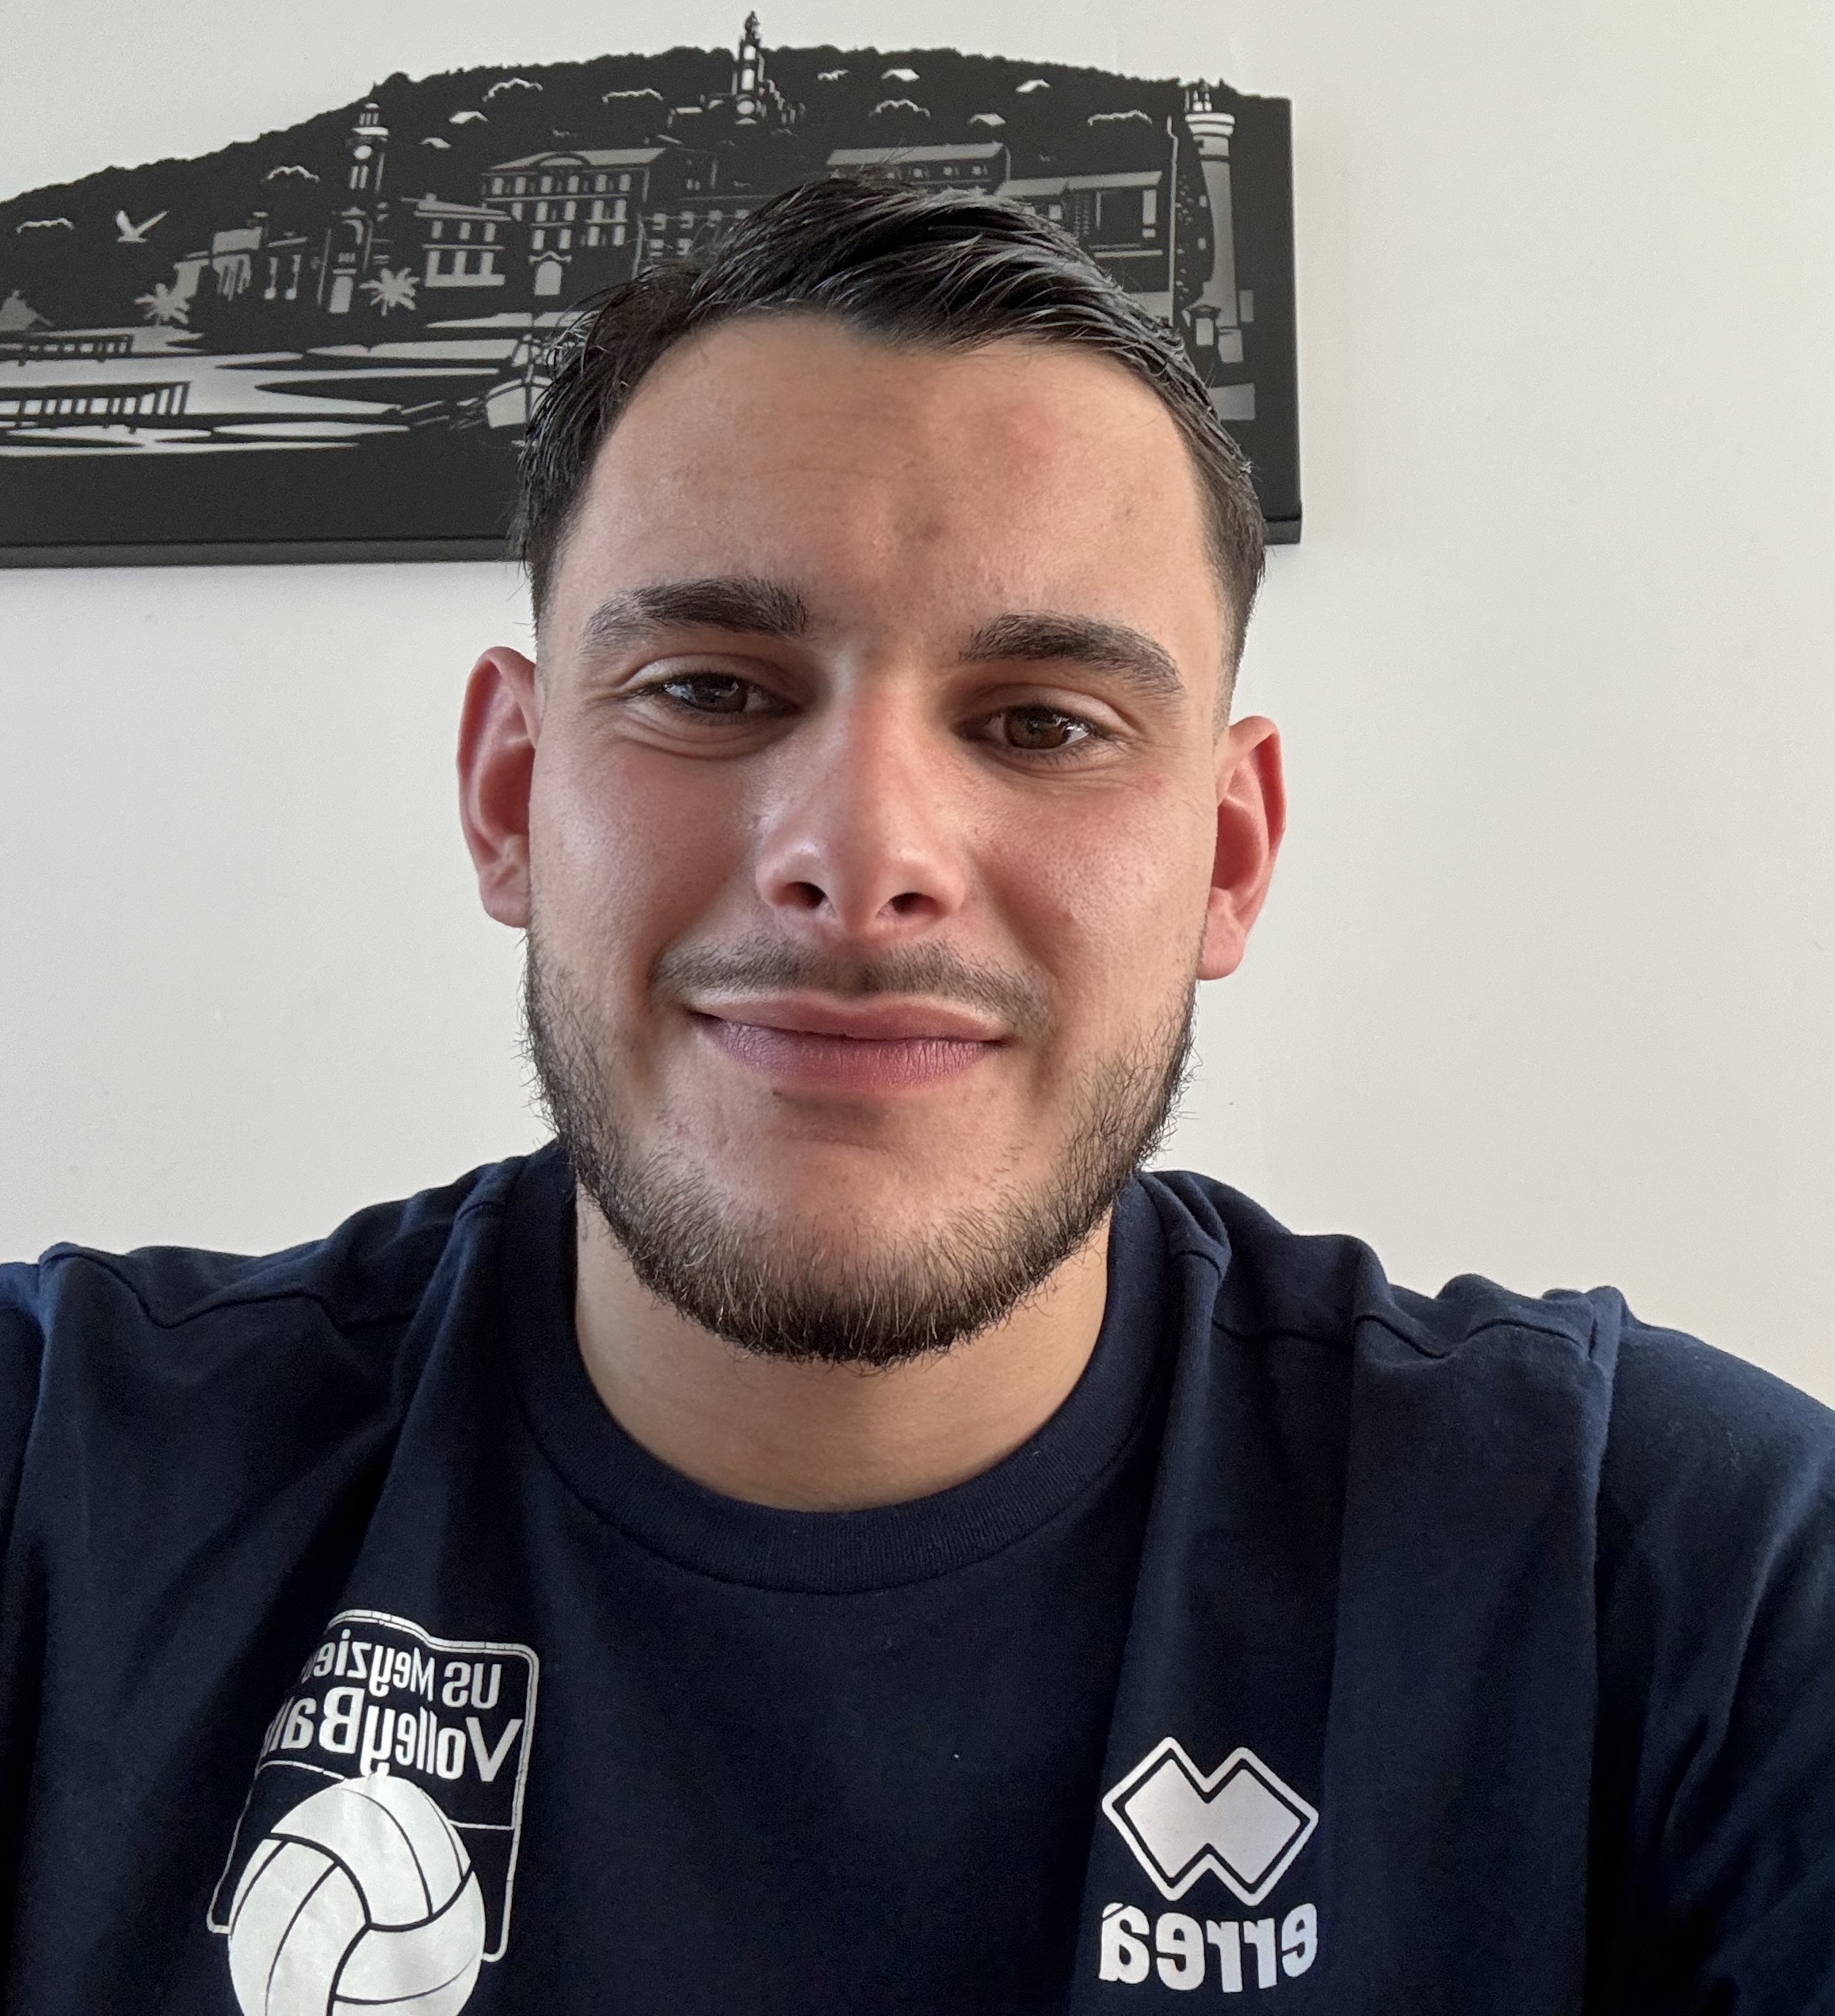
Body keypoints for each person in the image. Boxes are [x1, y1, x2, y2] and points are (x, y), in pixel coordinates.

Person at [2, 175, 1831, 2016]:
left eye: (1043, 721)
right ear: (507, 793)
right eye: (711, 687)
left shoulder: (1682, 1572)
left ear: (1227, 855)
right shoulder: (54, 1491)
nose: (865, 854)